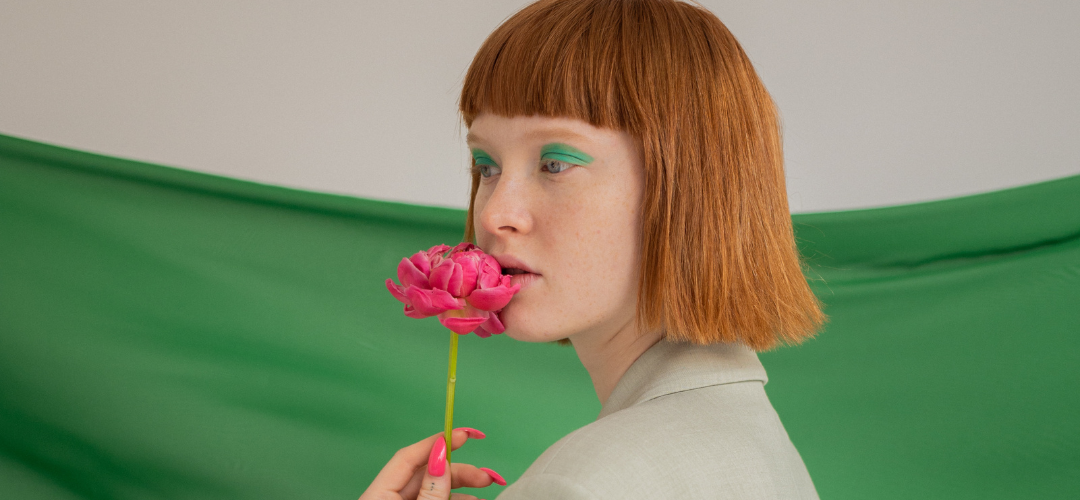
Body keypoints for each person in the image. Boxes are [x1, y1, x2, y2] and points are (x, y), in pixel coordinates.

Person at [359, 0, 825, 498]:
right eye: (487, 165)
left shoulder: (585, 482)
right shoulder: (753, 440)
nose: (494, 215)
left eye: (555, 163)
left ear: (690, 187)